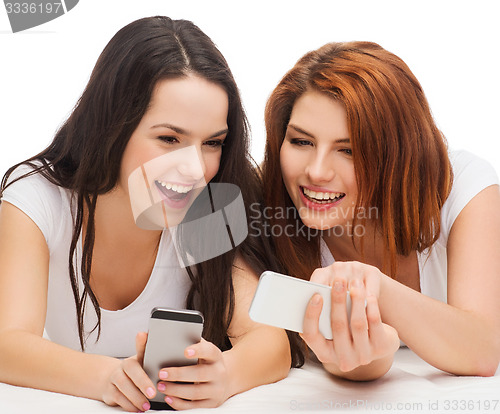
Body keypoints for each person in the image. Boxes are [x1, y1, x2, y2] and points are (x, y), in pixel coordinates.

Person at [0, 16, 302, 412]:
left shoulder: (205, 209)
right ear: (113, 127)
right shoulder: (38, 199)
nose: (195, 169)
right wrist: (107, 377)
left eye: (212, 142)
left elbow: (269, 340)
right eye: (168, 138)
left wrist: (225, 373)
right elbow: (8, 343)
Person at [262, 41, 500, 380]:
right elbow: (345, 358)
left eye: (349, 150)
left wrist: (375, 286)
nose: (316, 172)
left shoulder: (462, 184)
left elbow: (482, 349)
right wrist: (373, 356)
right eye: (302, 142)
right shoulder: (266, 205)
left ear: (397, 157)